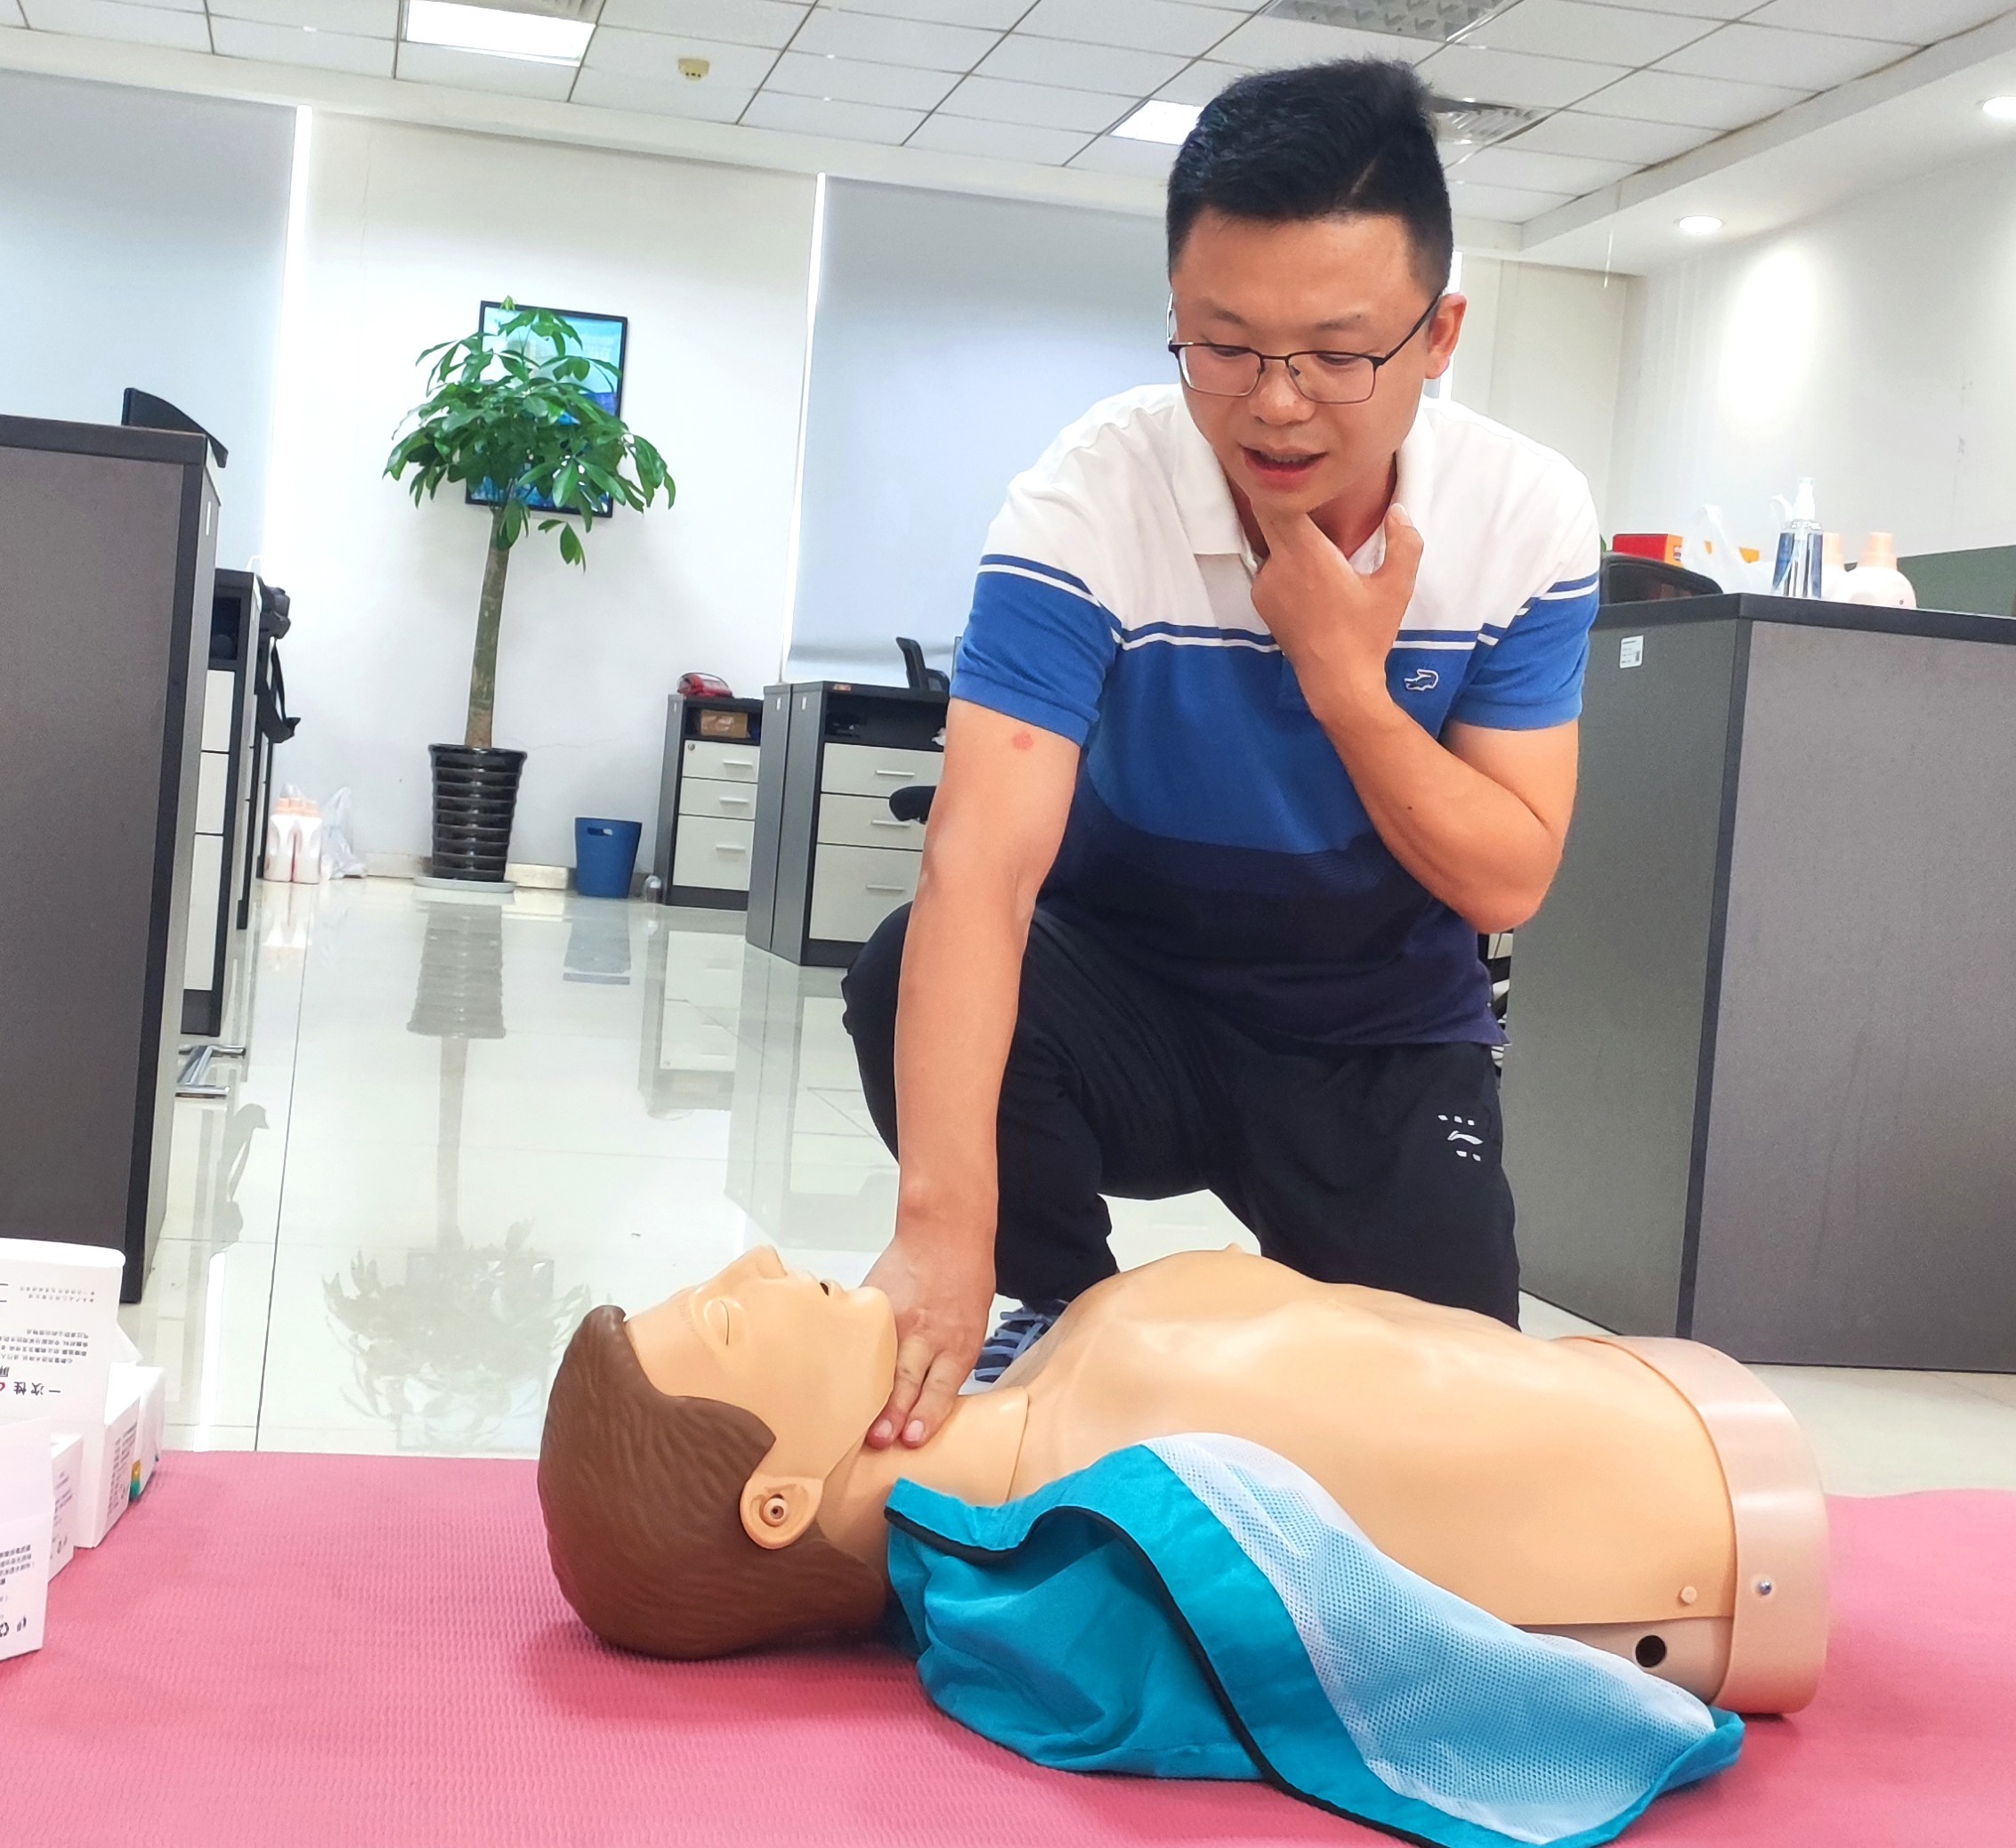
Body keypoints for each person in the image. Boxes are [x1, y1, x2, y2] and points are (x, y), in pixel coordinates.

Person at [839, 58, 1606, 1457]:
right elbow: (979, 868)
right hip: (1130, 1000)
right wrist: (943, 1233)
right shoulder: (1089, 496)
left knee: (1452, 1442)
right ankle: (1062, 1313)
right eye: (1225, 345)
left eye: (1337, 352)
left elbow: (1507, 879)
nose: (1277, 404)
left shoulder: (1526, 517)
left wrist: (1347, 683)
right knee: (907, 962)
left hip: (1377, 1030)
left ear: (1439, 334)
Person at [533, 1246, 1827, 1712]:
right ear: (779, 1504)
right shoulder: (1123, 1487)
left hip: (1673, 1422)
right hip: (1720, 1511)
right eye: (730, 1321)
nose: (757, 1262)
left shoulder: (1077, 1389)